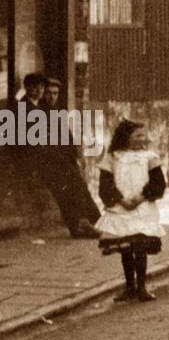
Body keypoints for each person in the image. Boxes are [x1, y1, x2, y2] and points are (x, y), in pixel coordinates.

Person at [16, 74, 100, 238]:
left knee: (74, 180)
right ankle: (81, 224)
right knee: (67, 183)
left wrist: (74, 156)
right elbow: (31, 142)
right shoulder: (23, 108)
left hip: (52, 159)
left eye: (41, 87)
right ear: (27, 88)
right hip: (37, 161)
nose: (39, 91)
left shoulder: (43, 107)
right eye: (36, 88)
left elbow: (64, 138)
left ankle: (89, 221)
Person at [96, 120, 167, 302]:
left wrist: (140, 198)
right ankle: (130, 287)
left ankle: (142, 286)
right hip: (121, 207)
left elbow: (158, 183)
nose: (142, 139)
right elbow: (105, 184)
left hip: (141, 207)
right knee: (126, 248)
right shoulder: (112, 157)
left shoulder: (149, 157)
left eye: (143, 135)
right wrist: (120, 200)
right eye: (138, 135)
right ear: (126, 137)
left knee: (140, 247)